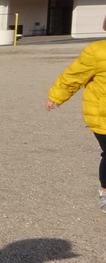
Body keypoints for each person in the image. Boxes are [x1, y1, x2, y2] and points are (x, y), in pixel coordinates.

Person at [45, 36, 106, 213]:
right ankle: (105, 191)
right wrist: (57, 97)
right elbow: (74, 75)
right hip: (103, 116)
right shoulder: (97, 51)